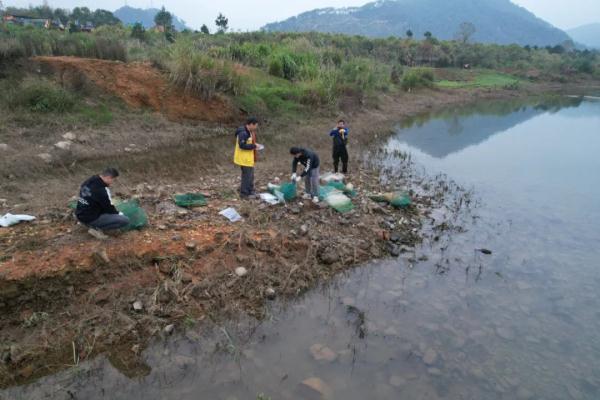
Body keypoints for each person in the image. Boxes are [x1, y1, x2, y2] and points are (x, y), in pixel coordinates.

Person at [75, 168, 129, 240]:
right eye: (113, 180)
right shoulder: (102, 190)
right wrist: (118, 213)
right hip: (91, 218)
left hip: (80, 214)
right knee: (124, 220)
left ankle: (85, 223)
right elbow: (109, 208)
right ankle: (95, 228)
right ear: (108, 178)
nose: (112, 182)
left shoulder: (89, 180)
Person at [234, 117, 262, 199]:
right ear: (251, 124)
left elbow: (248, 142)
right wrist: (254, 146)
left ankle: (250, 190)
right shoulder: (243, 133)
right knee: (247, 176)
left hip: (248, 158)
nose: (256, 127)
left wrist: (254, 144)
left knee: (251, 176)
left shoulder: (249, 131)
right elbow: (242, 145)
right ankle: (244, 194)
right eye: (256, 125)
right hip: (244, 159)